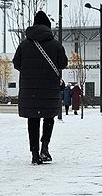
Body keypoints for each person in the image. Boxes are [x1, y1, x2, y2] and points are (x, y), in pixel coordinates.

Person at [12, 11, 68, 164]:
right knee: (49, 117)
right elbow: (63, 63)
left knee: (33, 119)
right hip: (50, 89)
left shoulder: (24, 45)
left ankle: (34, 153)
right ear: (48, 26)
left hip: (30, 90)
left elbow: (16, 63)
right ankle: (45, 147)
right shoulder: (56, 45)